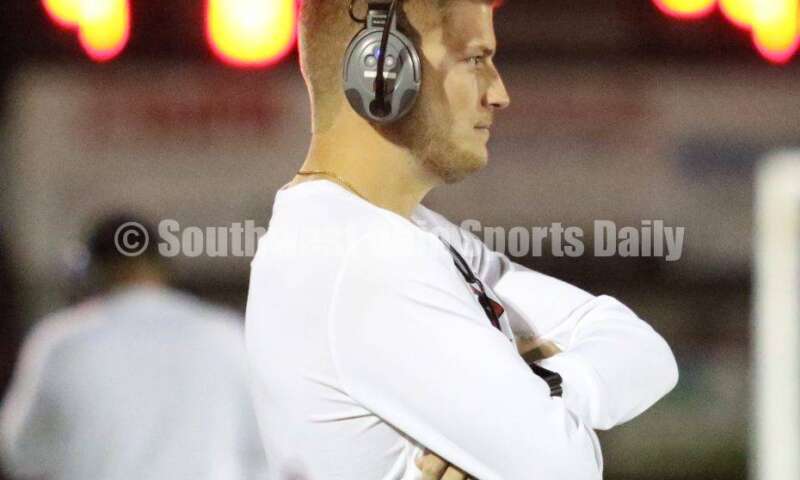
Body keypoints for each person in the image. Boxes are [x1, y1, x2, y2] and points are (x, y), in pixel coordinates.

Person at [245, 1, 679, 479]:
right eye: (475, 60)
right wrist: (543, 402)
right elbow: (567, 469)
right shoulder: (367, 255)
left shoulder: (402, 233)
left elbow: (643, 349)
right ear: (382, 72)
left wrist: (543, 388)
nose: (499, 93)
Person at [0, 214, 267, 480]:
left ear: (92, 269)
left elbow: (21, 451)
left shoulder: (61, 344)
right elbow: (267, 446)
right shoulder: (224, 335)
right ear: (160, 265)